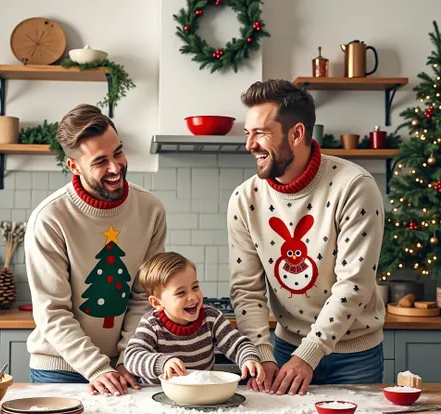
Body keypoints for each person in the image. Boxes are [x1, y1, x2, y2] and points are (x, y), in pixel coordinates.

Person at [227, 79, 386, 396]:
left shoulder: (354, 186)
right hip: (285, 351)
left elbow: (354, 284)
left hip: (355, 356)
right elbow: (247, 288)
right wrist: (262, 353)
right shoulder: (244, 200)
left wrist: (310, 353)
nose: (249, 145)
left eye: (260, 133)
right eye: (248, 134)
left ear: (296, 134)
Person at [25, 104, 167, 396]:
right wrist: (97, 367)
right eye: (100, 161)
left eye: (118, 153)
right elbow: (52, 312)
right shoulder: (50, 218)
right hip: (60, 370)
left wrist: (130, 357)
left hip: (125, 367)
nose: (115, 168)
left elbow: (143, 295)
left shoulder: (150, 209)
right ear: (74, 166)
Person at [124, 252, 264, 384]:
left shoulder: (211, 318)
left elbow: (238, 344)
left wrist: (249, 358)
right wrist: (163, 363)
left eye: (195, 287)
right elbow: (131, 357)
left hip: (201, 395)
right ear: (157, 303)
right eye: (181, 293)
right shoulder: (152, 324)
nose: (192, 296)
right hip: (158, 394)